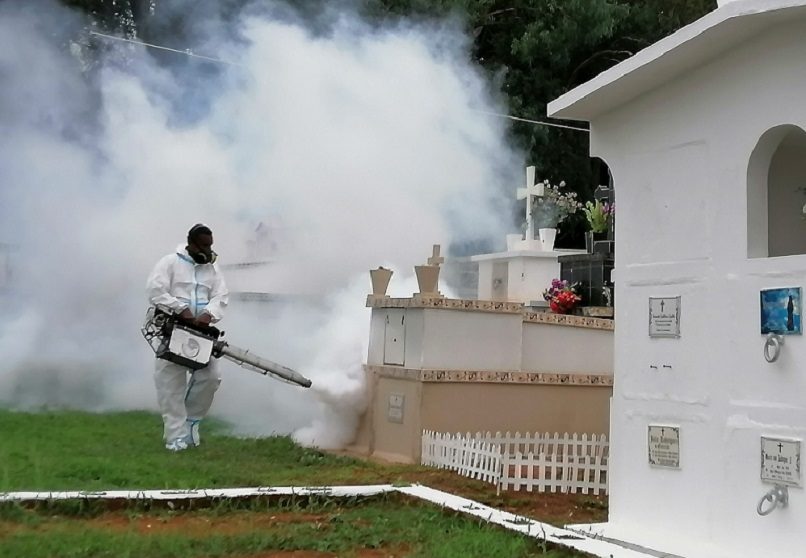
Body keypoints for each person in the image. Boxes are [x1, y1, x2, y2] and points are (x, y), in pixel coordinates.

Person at [146, 224, 229, 451]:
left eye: (210, 245)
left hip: (200, 332)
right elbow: (155, 291)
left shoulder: (212, 269)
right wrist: (180, 308)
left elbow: (221, 296)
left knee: (211, 376)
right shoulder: (169, 263)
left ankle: (192, 423)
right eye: (204, 246)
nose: (208, 250)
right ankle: (175, 438)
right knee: (170, 384)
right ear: (191, 244)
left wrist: (208, 314)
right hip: (172, 330)